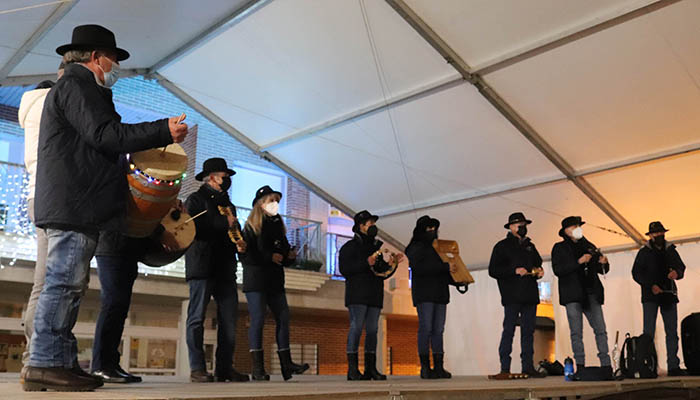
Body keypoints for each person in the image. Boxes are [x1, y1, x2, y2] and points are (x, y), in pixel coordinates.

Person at [23, 24, 187, 392]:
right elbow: (106, 135)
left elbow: (101, 136)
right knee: (63, 284)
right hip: (74, 205)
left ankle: (59, 360)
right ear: (97, 57)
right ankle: (45, 362)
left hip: (75, 204)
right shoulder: (78, 85)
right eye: (113, 58)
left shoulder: (77, 87)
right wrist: (162, 130)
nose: (116, 66)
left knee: (69, 284)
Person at [18, 62, 65, 376]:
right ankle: (37, 356)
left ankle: (32, 354)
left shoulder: (29, 112)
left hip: (36, 196)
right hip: (55, 194)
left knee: (42, 282)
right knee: (53, 282)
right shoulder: (52, 105)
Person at [184, 158, 249, 383]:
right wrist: (225, 222)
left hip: (225, 267)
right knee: (196, 318)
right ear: (212, 177)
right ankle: (197, 368)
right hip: (202, 266)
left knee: (229, 320)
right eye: (224, 176)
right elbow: (193, 227)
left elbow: (233, 229)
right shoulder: (195, 199)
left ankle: (224, 367)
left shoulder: (228, 204)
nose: (228, 180)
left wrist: (240, 241)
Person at [240, 185, 309, 381]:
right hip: (256, 280)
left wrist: (289, 257)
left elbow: (282, 254)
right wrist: (269, 257)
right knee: (258, 319)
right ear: (261, 204)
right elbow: (246, 256)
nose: (275, 204)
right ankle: (258, 368)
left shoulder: (278, 227)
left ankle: (287, 364)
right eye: (271, 200)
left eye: (277, 201)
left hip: (275, 280)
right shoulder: (251, 227)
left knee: (283, 317)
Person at [339, 210, 401, 381]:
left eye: (374, 223)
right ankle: (352, 369)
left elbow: (381, 273)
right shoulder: (349, 247)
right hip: (357, 294)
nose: (373, 226)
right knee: (356, 327)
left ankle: (370, 368)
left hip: (374, 294)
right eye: (370, 223)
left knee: (373, 330)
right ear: (361, 226)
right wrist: (365, 263)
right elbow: (344, 269)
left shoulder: (376, 247)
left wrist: (392, 264)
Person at [552, 216, 612, 379]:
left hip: (591, 292)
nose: (576, 229)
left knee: (600, 329)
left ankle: (606, 364)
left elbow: (602, 269)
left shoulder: (589, 245)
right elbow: (558, 270)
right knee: (576, 332)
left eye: (578, 226)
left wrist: (603, 263)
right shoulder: (560, 248)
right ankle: (580, 365)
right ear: (565, 231)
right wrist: (578, 262)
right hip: (573, 294)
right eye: (573, 227)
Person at [488, 212, 546, 380]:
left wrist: (539, 271)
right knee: (509, 330)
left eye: (524, 225)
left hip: (530, 295)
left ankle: (527, 366)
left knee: (528, 332)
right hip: (512, 295)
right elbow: (493, 270)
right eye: (519, 225)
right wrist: (513, 271)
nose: (522, 228)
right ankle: (504, 368)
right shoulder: (501, 246)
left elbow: (538, 263)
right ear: (511, 227)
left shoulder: (530, 246)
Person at [632, 221, 687, 376]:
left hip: (668, 294)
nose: (659, 235)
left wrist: (677, 273)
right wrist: (650, 286)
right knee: (648, 333)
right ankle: (649, 367)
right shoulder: (644, 252)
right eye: (656, 233)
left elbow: (681, 267)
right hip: (650, 296)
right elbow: (636, 273)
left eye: (660, 233)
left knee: (672, 332)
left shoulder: (670, 250)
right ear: (650, 236)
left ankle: (673, 366)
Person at [405, 215, 454, 379]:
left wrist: (457, 279)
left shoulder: (438, 248)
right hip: (425, 294)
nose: (432, 231)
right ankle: (425, 367)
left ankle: (438, 366)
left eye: (434, 228)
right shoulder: (415, 247)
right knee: (426, 328)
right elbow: (420, 267)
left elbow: (442, 270)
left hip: (440, 293)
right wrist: (445, 267)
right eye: (428, 228)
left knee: (438, 329)